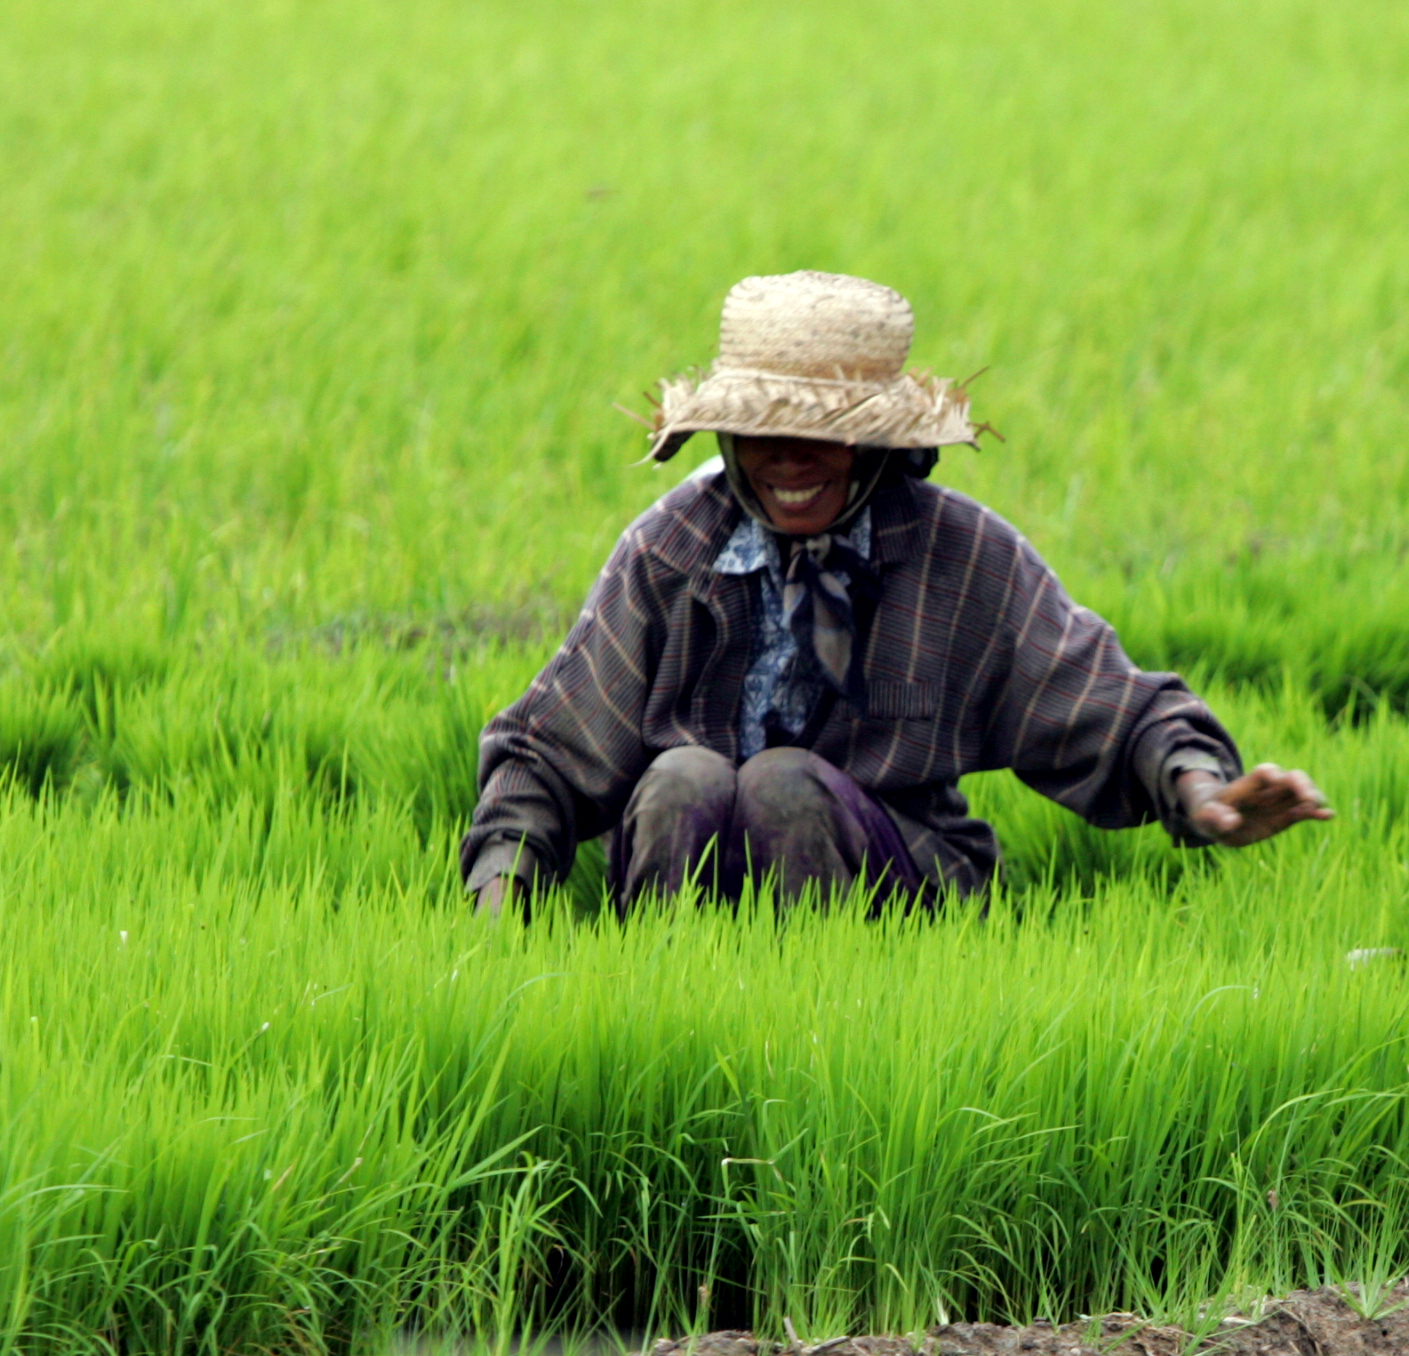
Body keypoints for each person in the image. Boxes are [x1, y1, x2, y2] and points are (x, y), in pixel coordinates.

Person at [463, 272, 1329, 916]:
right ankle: (660, 1007)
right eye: (763, 432)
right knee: (684, 776)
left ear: (876, 443)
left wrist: (1202, 794)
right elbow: (549, 749)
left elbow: (1118, 708)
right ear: (726, 437)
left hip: (902, 880)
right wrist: (500, 901)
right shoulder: (672, 552)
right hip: (690, 877)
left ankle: (826, 1020)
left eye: (823, 433)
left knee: (784, 787)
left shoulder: (962, 557)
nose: (789, 458)